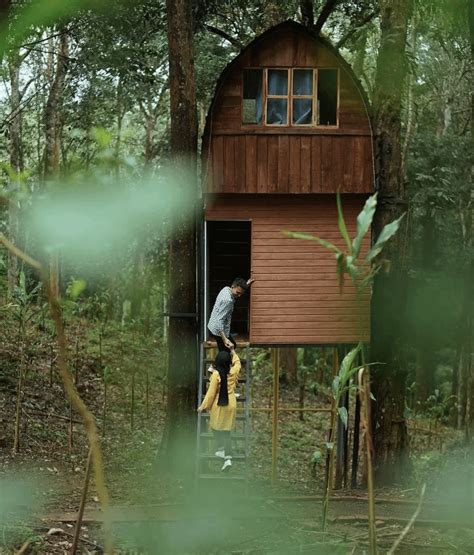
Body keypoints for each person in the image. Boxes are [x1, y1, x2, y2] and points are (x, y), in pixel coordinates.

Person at [197, 346, 241, 471]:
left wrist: (203, 406)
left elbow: (211, 393)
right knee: (227, 431)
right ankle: (227, 458)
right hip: (231, 403)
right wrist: (232, 351)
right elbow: (237, 362)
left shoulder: (216, 375)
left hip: (219, 405)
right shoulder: (233, 372)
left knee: (215, 427)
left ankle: (221, 449)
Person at [207, 276, 254, 352]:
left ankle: (219, 363)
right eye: (238, 293)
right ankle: (218, 364)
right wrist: (224, 339)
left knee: (230, 347)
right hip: (218, 329)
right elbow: (220, 321)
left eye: (241, 294)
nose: (239, 296)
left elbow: (237, 290)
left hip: (212, 324)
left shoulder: (226, 289)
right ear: (233, 287)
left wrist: (246, 284)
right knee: (226, 352)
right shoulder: (228, 300)